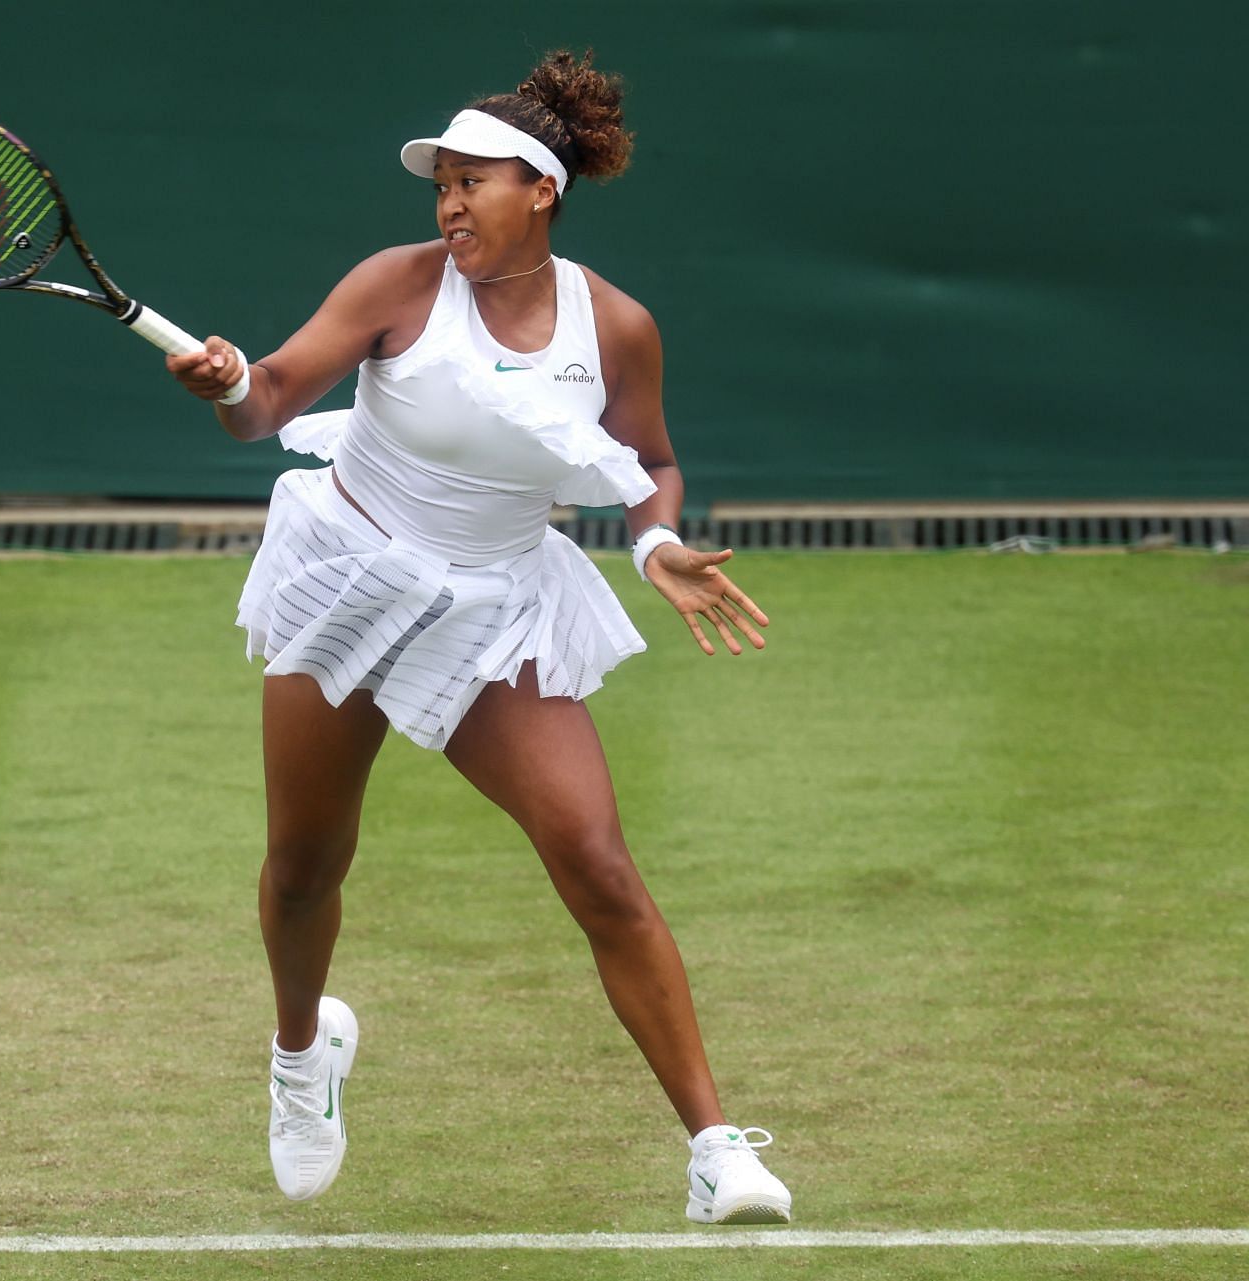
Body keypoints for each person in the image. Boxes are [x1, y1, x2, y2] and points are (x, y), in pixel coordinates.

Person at [165, 49, 792, 1225]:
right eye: (439, 185)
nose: (448, 204)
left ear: (541, 190)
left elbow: (649, 462)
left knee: (598, 862)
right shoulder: (397, 284)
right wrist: (225, 380)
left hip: (494, 604)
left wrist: (655, 545)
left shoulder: (614, 327)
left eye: (471, 182)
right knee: (306, 867)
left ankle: (717, 1151)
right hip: (348, 580)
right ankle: (304, 1056)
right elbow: (268, 405)